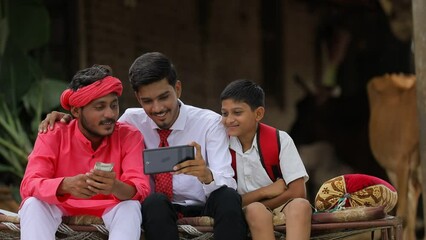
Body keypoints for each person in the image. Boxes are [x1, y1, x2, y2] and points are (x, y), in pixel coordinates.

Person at [38, 52, 248, 240]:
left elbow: (227, 183)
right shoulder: (130, 120)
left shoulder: (209, 123)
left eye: (164, 97)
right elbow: (98, 126)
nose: (157, 108)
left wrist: (206, 175)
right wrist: (69, 118)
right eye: (147, 101)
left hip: (204, 204)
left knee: (228, 197)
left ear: (178, 88)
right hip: (157, 210)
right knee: (153, 202)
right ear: (138, 97)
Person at [20, 65, 151, 240]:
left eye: (114, 105)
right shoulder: (54, 132)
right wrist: (65, 185)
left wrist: (114, 186)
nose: (110, 114)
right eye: (100, 107)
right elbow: (29, 184)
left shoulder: (129, 135)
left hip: (111, 207)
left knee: (130, 207)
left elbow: (141, 188)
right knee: (33, 204)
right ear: (75, 111)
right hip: (60, 205)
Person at [220, 79, 312, 240]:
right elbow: (226, 202)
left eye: (237, 112)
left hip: (283, 204)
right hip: (243, 210)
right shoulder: (220, 145)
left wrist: (264, 204)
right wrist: (265, 191)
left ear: (258, 114)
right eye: (224, 113)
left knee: (301, 205)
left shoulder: (280, 139)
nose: (229, 120)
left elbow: (298, 192)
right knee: (255, 210)